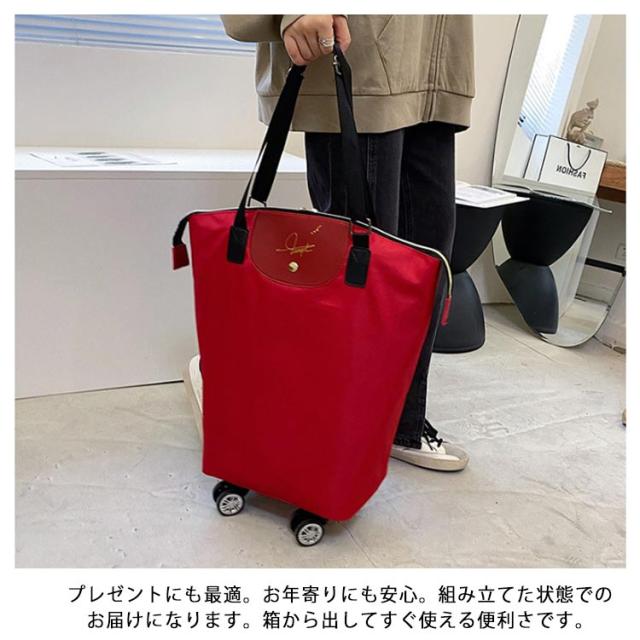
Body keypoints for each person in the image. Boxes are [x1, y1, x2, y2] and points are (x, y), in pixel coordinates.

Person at [184, 14, 475, 471]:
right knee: (351, 280)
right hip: (359, 53)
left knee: (425, 265)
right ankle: (244, 387)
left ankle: (397, 420)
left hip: (434, 66)